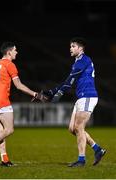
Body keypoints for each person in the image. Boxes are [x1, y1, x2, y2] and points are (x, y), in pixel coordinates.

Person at [0, 42, 45, 167]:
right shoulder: (10, 65)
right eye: (15, 50)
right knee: (9, 129)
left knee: (1, 131)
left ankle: (5, 160)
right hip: (2, 100)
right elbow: (18, 86)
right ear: (9, 52)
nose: (16, 52)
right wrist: (35, 94)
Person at [43, 37, 106, 167]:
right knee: (73, 129)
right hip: (81, 97)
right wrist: (52, 92)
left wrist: (57, 93)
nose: (70, 48)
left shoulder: (84, 60)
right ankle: (97, 149)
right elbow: (68, 81)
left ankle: (81, 160)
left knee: (79, 127)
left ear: (80, 48)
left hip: (88, 96)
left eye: (73, 46)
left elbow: (69, 81)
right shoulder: (77, 62)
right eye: (70, 46)